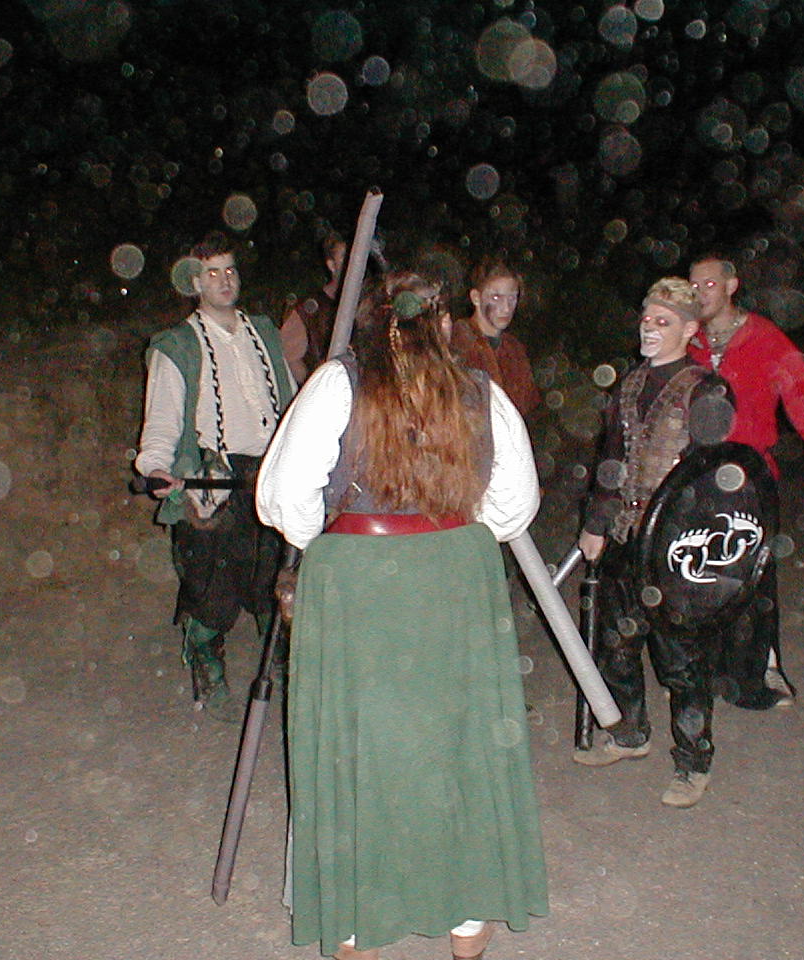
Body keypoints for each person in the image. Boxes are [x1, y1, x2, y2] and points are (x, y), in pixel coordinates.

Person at [256, 273, 546, 959]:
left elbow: (284, 502)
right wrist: (445, 530)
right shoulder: (480, 391)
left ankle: (360, 925)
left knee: (362, 751)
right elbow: (513, 508)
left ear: (374, 323)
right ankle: (466, 920)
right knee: (459, 745)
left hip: (359, 584)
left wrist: (340, 542)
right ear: (443, 325)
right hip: (456, 581)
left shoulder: (338, 384)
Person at [573, 277, 738, 808]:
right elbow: (611, 459)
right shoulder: (629, 384)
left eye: (662, 321)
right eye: (646, 318)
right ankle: (629, 733)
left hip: (676, 543)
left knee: (681, 656)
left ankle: (693, 761)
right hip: (626, 535)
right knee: (618, 641)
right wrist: (597, 523)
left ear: (689, 329)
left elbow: (716, 478)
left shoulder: (706, 390)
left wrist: (700, 549)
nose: (649, 328)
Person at [687, 252, 804, 707]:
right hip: (696, 475)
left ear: (732, 286)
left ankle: (761, 670)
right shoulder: (688, 340)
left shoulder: (765, 338)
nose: (700, 293)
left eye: (709, 284)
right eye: (694, 286)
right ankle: (706, 670)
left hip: (750, 476)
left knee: (753, 577)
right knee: (699, 570)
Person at [134, 232, 296, 723]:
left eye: (230, 270)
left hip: (269, 471)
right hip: (212, 478)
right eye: (211, 273)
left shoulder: (263, 332)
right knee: (211, 581)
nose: (224, 281)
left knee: (275, 570)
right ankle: (207, 665)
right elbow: (162, 419)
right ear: (194, 283)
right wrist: (156, 466)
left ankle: (284, 661)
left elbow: (290, 399)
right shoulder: (177, 346)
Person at [451, 257, 541, 418]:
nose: (506, 308)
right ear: (476, 298)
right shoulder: (456, 343)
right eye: (496, 297)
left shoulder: (514, 349)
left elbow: (528, 407)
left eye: (512, 298)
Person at [279, 231, 347, 384]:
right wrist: (315, 387)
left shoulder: (369, 302)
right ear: (331, 265)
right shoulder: (308, 310)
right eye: (344, 257)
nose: (352, 262)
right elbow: (290, 357)